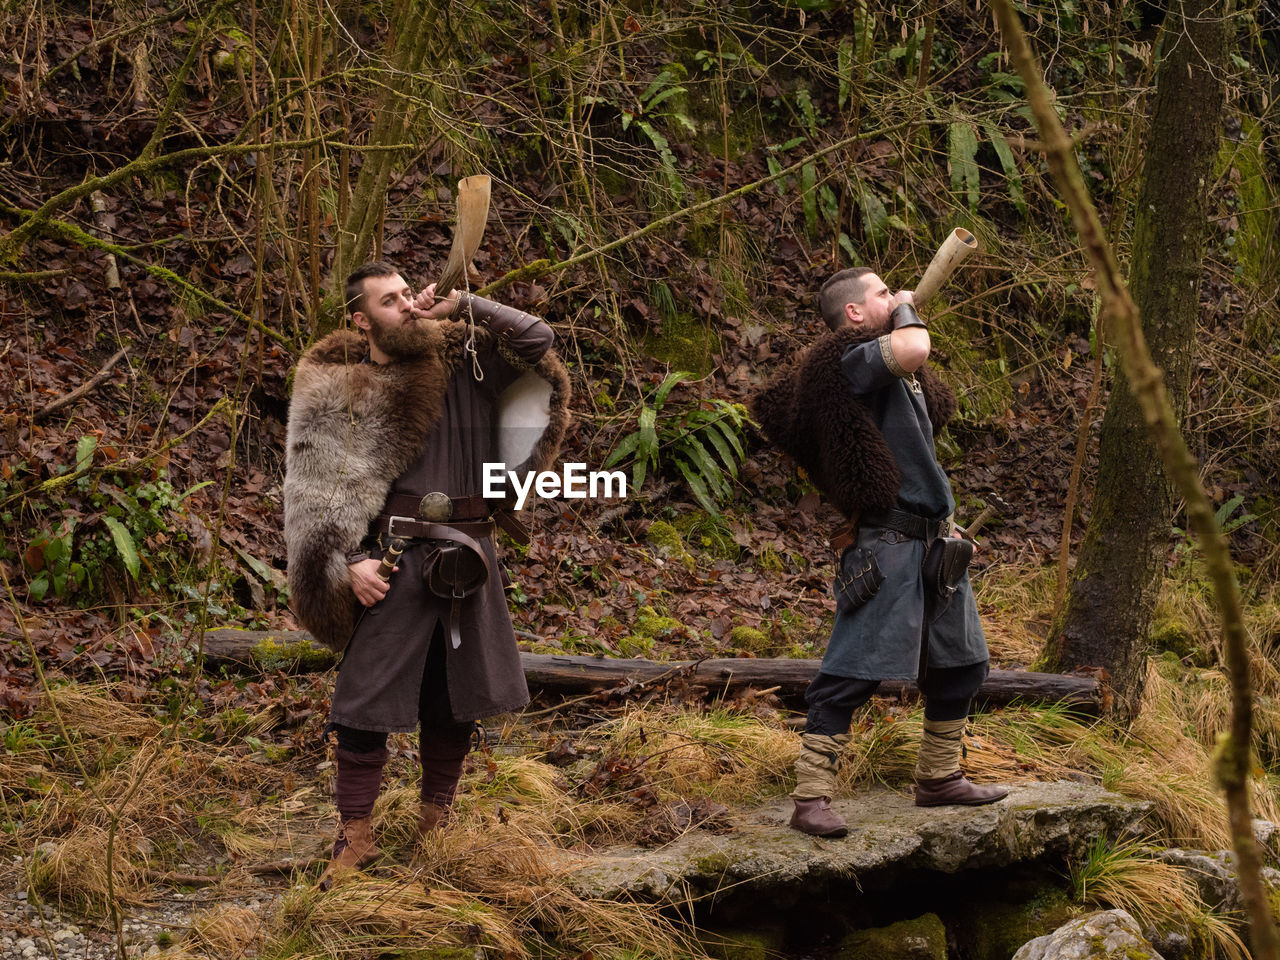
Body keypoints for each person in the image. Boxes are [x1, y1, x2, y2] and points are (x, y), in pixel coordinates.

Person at [283, 262, 570, 884]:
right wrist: (347, 562)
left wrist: (466, 304)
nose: (407, 306)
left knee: (454, 700)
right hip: (396, 561)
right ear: (361, 320)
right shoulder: (342, 389)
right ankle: (356, 839)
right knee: (360, 705)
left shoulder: (467, 363)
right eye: (391, 301)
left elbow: (538, 342)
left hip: (471, 554)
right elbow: (317, 493)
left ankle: (433, 829)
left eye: (409, 294)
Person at [750, 266, 1008, 839]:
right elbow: (915, 345)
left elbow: (913, 456)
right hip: (885, 546)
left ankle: (939, 778)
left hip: (932, 541)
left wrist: (947, 522)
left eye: (895, 291)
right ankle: (810, 797)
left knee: (962, 663)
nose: (895, 298)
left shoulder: (888, 368)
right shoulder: (851, 361)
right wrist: (911, 307)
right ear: (855, 314)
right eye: (883, 293)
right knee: (852, 674)